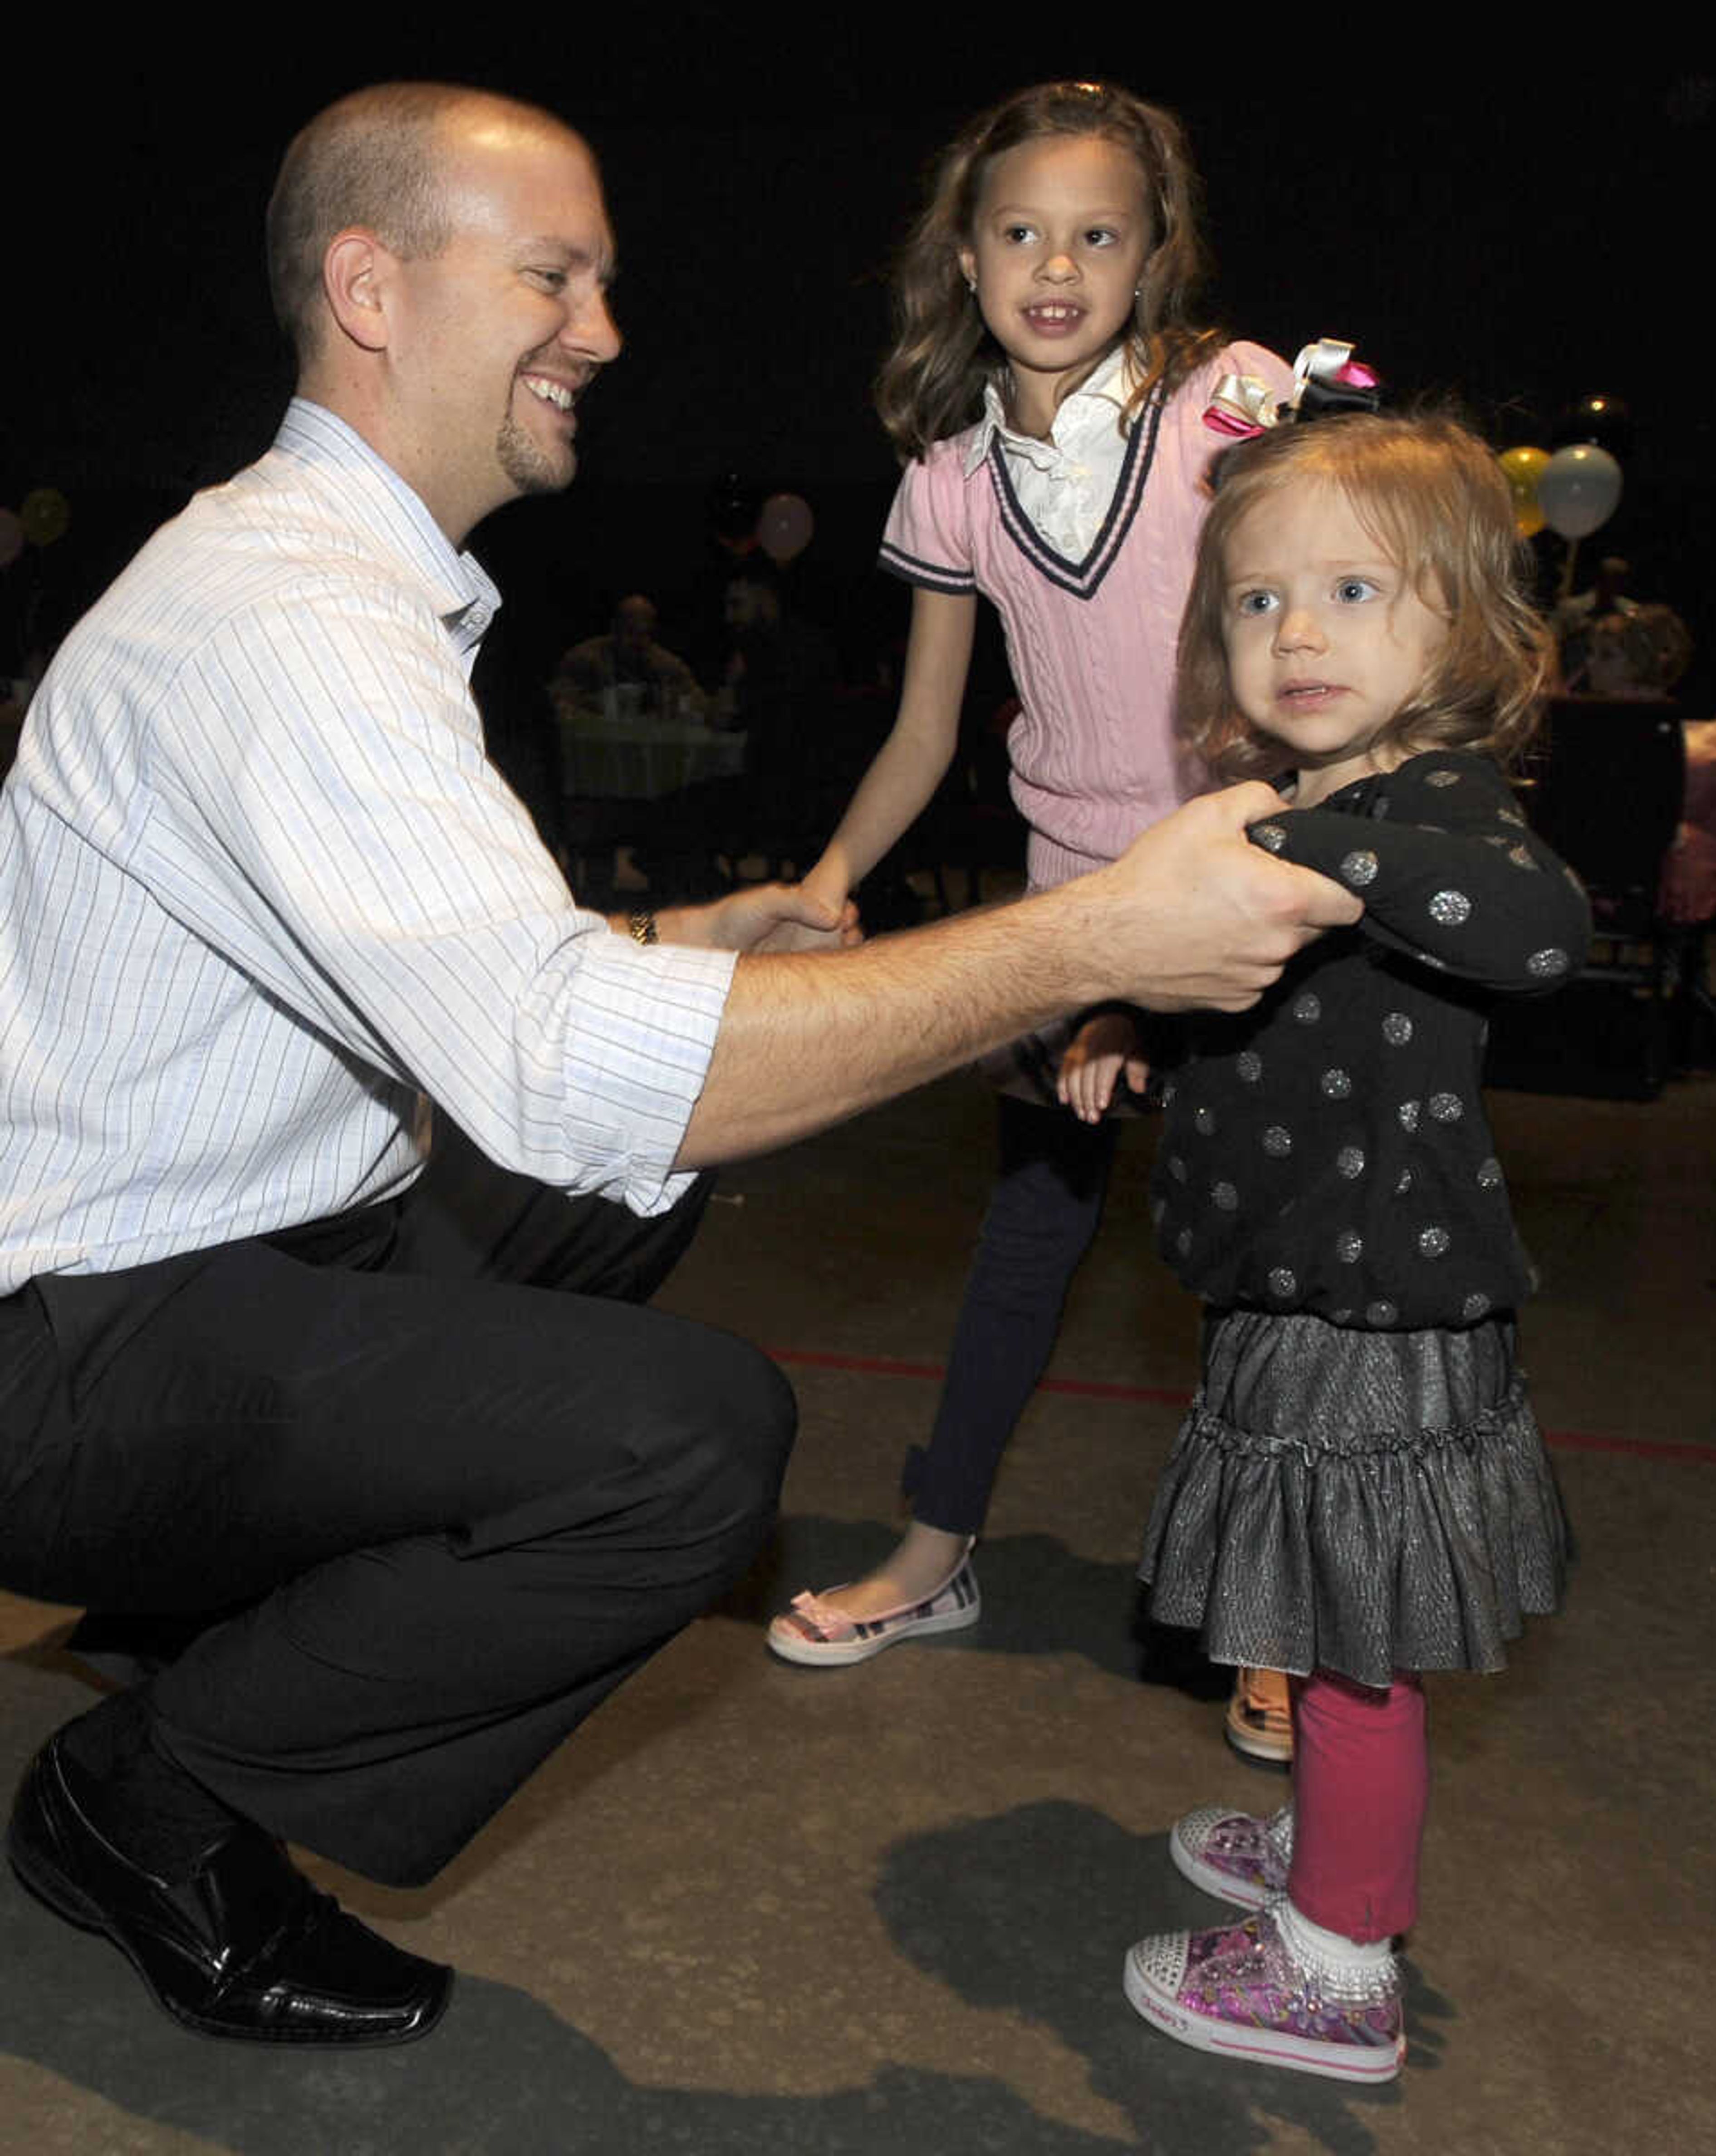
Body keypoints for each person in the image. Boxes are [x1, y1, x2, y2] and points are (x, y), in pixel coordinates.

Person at [0, 83, 1358, 2048]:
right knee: (684, 1440)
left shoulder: (331, 578)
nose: (610, 331)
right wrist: (1085, 942)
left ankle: (203, 1624)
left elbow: (447, 978)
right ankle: (149, 1803)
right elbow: (565, 1070)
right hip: (59, 1335)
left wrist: (668, 939)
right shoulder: (282, 619)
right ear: (370, 289)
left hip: (217, 1248)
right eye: (553, 275)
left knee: (623, 1188)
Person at [763, 82, 1296, 1744]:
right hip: (1077, 904)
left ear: (1154, 260)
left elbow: (1320, 663)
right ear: (968, 256)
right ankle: (936, 1549)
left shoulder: (1231, 407)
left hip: (1251, 877)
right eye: (1019, 231)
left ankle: (1286, 1610)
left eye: (1096, 233)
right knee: (1028, 1241)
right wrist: (829, 882)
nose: (1054, 263)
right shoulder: (949, 480)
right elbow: (928, 733)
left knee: (1271, 1270)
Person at [1100, 413, 1588, 2083]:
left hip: (1378, 1306)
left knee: (1361, 1647)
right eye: (1257, 600)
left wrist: (1317, 842)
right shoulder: (1285, 802)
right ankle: (1329, 1841)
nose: (1297, 632)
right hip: (1294, 1281)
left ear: (1453, 623)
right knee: (1320, 1613)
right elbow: (1259, 1005)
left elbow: (1540, 931)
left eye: (1354, 589)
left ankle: (1336, 1960)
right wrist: (1125, 1020)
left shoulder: (1437, 811)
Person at [550, 592, 702, 718]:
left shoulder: (666, 665)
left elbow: (698, 701)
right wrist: (593, 707)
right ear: (615, 630)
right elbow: (557, 701)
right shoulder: (584, 658)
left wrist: (677, 705)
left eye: (645, 634)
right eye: (631, 632)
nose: (639, 642)